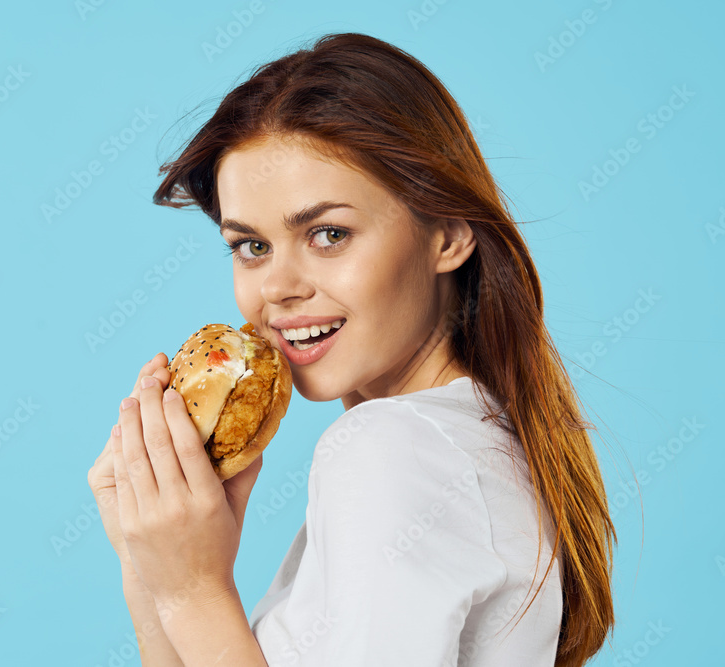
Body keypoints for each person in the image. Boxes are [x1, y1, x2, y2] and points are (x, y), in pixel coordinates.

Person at [89, 32, 616, 667]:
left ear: (448, 234)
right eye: (250, 246)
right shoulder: (465, 436)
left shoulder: (388, 449)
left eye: (328, 234)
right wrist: (149, 569)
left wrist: (194, 592)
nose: (278, 288)